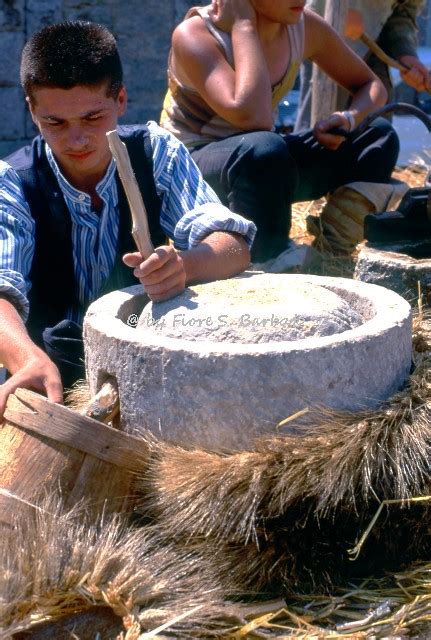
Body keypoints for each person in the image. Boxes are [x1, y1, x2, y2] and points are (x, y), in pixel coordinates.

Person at [0, 20, 256, 415]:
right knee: (53, 343)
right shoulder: (14, 181)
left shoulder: (154, 152)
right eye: (55, 123)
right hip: (54, 367)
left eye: (92, 118)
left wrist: (185, 265)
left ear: (120, 100)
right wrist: (26, 360)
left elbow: (232, 244)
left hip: (144, 352)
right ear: (32, 110)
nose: (77, 140)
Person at [160, 1, 400, 262]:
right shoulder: (195, 34)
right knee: (263, 151)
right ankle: (269, 260)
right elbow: (254, 117)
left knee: (377, 135)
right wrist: (244, 25)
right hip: (196, 170)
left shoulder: (301, 25)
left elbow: (371, 85)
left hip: (266, 164)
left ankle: (333, 246)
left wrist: (347, 118)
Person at [296, 0, 429, 130]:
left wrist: (405, 51)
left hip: (374, 40)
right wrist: (342, 10)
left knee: (378, 132)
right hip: (325, 33)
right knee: (320, 127)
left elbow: (402, 11)